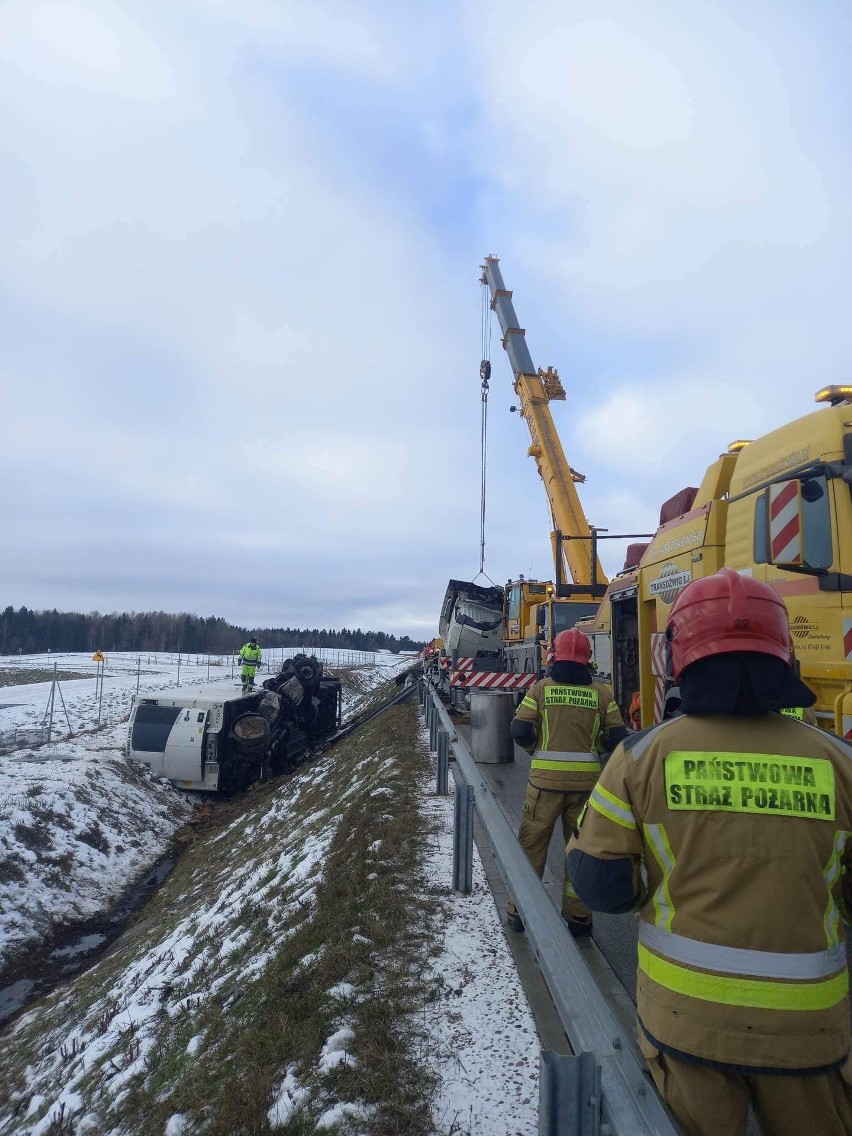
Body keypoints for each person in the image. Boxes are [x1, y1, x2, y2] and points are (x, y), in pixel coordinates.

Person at [566, 567, 852, 1136]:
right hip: (811, 1032)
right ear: (783, 655)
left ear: (678, 658)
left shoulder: (642, 758)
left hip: (684, 1022)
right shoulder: (840, 763)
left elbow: (601, 887)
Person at [506, 627, 626, 936]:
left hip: (543, 787)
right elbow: (616, 737)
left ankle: (520, 913)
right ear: (587, 660)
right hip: (585, 790)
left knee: (532, 847)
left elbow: (519, 730)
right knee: (579, 851)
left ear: (553, 658)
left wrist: (537, 750)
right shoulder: (602, 694)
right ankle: (578, 919)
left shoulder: (541, 690)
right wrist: (594, 750)